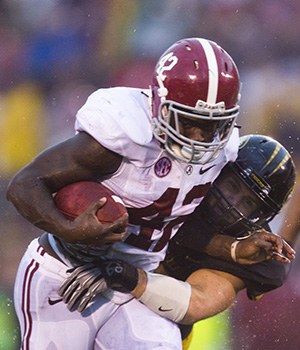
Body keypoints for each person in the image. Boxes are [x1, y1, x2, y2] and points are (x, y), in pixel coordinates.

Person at [6, 36, 290, 350]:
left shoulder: (225, 156)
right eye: (189, 121)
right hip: (67, 271)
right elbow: (24, 185)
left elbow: (179, 231)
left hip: (136, 282)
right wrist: (68, 229)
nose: (199, 138)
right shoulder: (122, 137)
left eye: (212, 125)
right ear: (160, 106)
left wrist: (233, 249)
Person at [58, 134, 296, 348]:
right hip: (91, 288)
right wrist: (228, 247)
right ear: (219, 171)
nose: (231, 203)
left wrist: (121, 273)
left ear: (263, 216)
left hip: (155, 327)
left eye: (248, 203)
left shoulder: (261, 257)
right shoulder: (182, 181)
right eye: (232, 185)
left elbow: (195, 301)